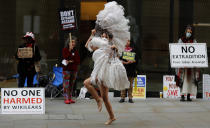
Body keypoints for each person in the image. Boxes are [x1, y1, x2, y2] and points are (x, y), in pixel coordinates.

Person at [83, 1, 130, 125]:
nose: (103, 35)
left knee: (99, 92)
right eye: (102, 34)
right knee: (99, 93)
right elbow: (87, 46)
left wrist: (113, 48)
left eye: (104, 34)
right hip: (99, 73)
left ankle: (104, 107)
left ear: (108, 36)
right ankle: (105, 108)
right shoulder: (101, 44)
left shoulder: (109, 45)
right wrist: (91, 35)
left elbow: (113, 49)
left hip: (104, 74)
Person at [176, 25, 200, 102]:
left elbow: (197, 51)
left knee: (190, 81)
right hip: (183, 65)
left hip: (191, 65)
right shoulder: (181, 40)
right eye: (187, 32)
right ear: (185, 32)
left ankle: (189, 95)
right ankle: (182, 95)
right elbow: (177, 50)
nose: (188, 33)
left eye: (190, 32)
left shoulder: (194, 41)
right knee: (182, 80)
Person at [62, 37, 80, 104]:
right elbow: (66, 57)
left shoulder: (75, 51)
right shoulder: (65, 49)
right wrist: (69, 51)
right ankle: (66, 98)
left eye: (74, 42)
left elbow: (77, 60)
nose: (73, 43)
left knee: (71, 84)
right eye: (71, 42)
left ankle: (70, 98)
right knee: (66, 84)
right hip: (66, 70)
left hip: (74, 70)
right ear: (68, 43)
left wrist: (70, 60)